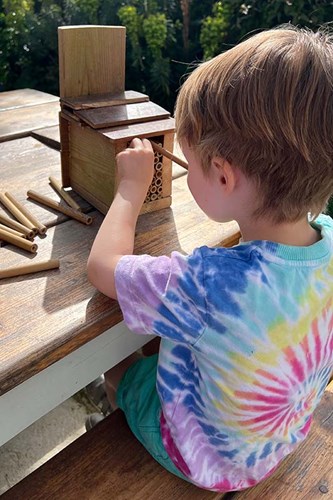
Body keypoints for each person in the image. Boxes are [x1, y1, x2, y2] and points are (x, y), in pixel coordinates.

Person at [87, 25, 333, 492]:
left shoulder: (208, 283)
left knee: (118, 370)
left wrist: (130, 190)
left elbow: (102, 268)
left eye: (188, 163)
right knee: (169, 337)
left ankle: (112, 408)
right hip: (280, 435)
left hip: (208, 461)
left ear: (223, 177)